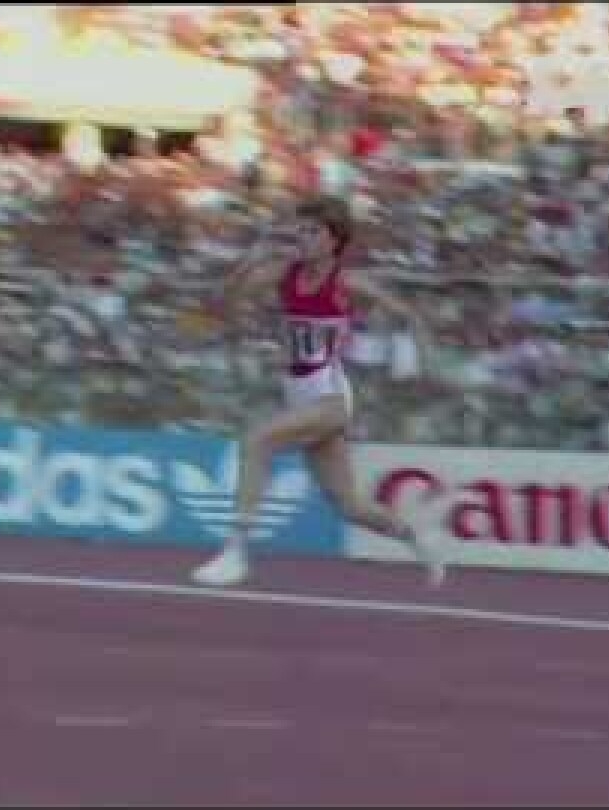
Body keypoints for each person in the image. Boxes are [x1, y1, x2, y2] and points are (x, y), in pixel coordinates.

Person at [191, 197, 447, 588]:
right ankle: (417, 537)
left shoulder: (347, 282)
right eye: (300, 229)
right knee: (350, 505)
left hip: (330, 397)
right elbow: (225, 302)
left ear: (334, 241)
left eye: (313, 231)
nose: (302, 237)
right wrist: (252, 259)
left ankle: (235, 553)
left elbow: (407, 313)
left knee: (257, 441)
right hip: (298, 395)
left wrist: (419, 360)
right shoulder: (281, 274)